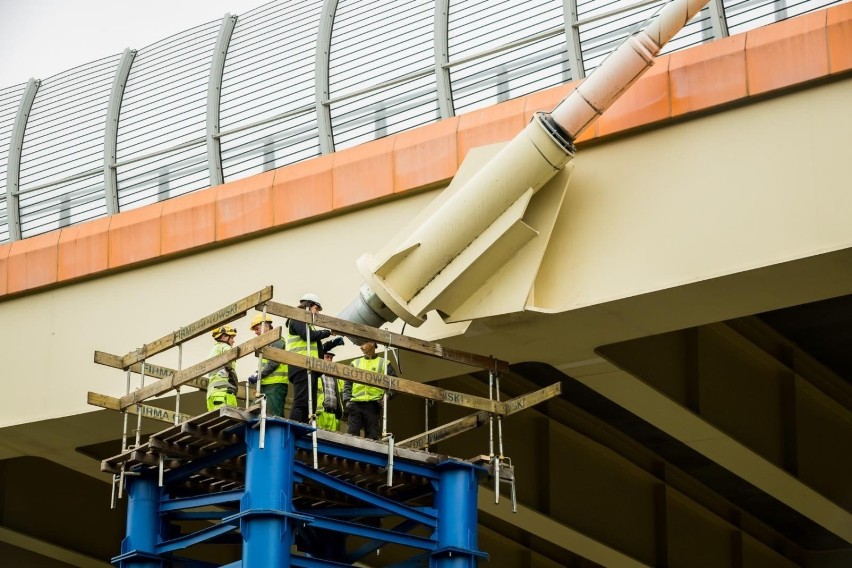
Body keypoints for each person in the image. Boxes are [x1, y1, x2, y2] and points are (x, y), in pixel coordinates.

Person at [284, 293, 335, 423]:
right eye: (316, 308)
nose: (317, 313)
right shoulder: (297, 318)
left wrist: (331, 342)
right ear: (308, 305)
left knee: (309, 405)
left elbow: (315, 347)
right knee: (301, 402)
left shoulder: (306, 323)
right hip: (300, 366)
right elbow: (309, 336)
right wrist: (327, 332)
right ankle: (293, 429)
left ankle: (302, 428)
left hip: (309, 367)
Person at [344, 340, 395, 440]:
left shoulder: (384, 363)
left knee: (371, 437)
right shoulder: (355, 363)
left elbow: (394, 383)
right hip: (355, 404)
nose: (360, 347)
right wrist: (346, 401)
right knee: (351, 436)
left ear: (372, 343)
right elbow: (347, 383)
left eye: (362, 343)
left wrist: (388, 396)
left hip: (373, 405)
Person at [247, 313, 288, 417]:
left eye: (257, 329)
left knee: (274, 414)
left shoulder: (278, 340)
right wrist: (257, 373)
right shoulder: (266, 345)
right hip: (265, 385)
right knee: (253, 413)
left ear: (266, 325)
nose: (256, 332)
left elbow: (273, 362)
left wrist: (259, 375)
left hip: (275, 385)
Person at [206, 326, 239, 411]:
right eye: (231, 337)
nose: (233, 341)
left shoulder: (213, 350)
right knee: (230, 421)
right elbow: (231, 367)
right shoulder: (225, 347)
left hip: (212, 395)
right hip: (223, 393)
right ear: (224, 337)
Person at [315, 350, 345, 432]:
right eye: (327, 357)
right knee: (318, 438)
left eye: (331, 358)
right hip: (320, 414)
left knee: (333, 440)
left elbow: (347, 388)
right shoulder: (316, 375)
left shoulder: (337, 378)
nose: (329, 360)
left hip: (334, 416)